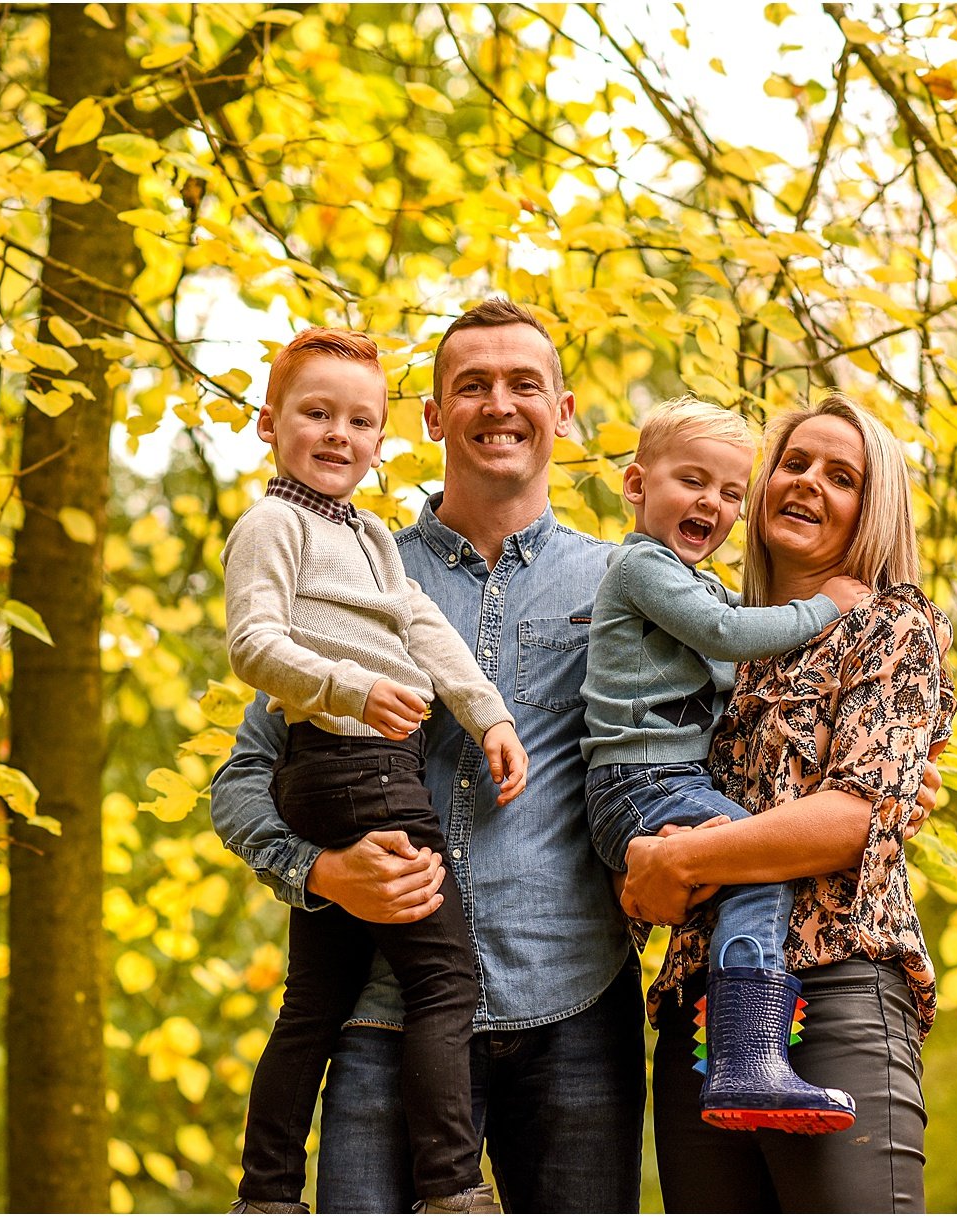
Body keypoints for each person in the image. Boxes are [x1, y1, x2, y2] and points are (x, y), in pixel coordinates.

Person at [213, 298, 643, 1213]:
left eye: (525, 383)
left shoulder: (620, 584)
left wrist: (873, 768)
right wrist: (319, 871)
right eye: (472, 384)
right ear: (432, 417)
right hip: (380, 1019)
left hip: (577, 1014)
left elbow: (712, 734)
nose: (500, 403)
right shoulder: (350, 570)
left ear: (562, 411)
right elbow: (246, 776)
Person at [620, 394, 955, 1212]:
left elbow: (848, 818)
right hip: (697, 1013)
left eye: (841, 476)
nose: (808, 482)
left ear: (870, 510)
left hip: (835, 986)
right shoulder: (709, 639)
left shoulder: (889, 627)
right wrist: (642, 881)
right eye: (795, 463)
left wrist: (683, 859)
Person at [221, 327, 527, 1216]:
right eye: (317, 414)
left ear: (382, 438)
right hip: (351, 766)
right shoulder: (271, 522)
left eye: (360, 420)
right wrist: (352, 686)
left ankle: (269, 1193)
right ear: (269, 422)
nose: (338, 435)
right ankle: (451, 1188)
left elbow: (427, 628)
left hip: (350, 768)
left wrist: (488, 714)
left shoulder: (367, 537)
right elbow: (253, 643)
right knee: (445, 980)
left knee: (312, 1000)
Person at [581, 396, 871, 1134]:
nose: (712, 501)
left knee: (746, 862)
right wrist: (825, 608)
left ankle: (747, 1052)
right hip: (640, 783)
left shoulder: (692, 580)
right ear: (637, 486)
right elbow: (725, 633)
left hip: (661, 784)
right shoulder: (642, 566)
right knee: (759, 863)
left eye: (731, 492)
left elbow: (733, 682)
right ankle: (747, 1054)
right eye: (692, 480)